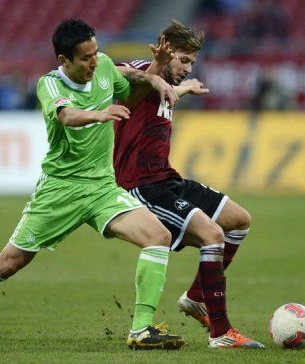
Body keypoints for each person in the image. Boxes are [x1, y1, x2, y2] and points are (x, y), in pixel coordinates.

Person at [0, 19, 185, 350]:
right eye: (85, 58)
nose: (94, 62)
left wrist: (157, 68)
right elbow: (66, 116)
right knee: (8, 263)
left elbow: (131, 97)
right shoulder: (49, 84)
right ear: (63, 61)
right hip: (59, 190)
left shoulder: (106, 66)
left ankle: (141, 329)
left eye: (95, 53)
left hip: (101, 188)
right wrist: (97, 114)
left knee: (158, 237)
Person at [114, 20, 265, 349]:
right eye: (182, 60)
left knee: (238, 221)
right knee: (213, 235)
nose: (186, 67)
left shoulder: (168, 86)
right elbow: (116, 71)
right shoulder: (140, 71)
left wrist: (184, 88)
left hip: (168, 178)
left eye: (191, 62)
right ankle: (221, 333)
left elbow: (167, 90)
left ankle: (197, 298)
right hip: (142, 185)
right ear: (165, 52)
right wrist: (153, 73)